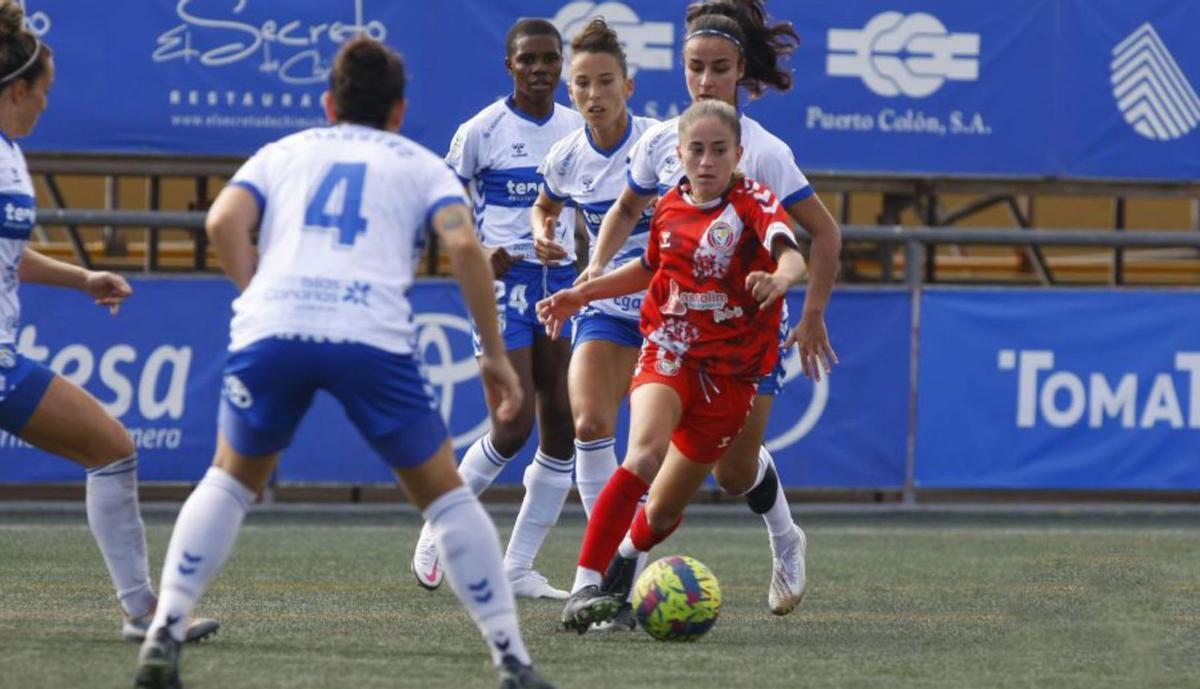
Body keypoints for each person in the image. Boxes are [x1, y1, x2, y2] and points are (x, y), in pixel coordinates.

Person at [132, 37, 555, 689]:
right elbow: (465, 245)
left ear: (328, 103)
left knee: (229, 478)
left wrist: (261, 293)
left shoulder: (283, 152)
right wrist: (494, 352)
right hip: (369, 334)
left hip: (274, 326)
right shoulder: (417, 163)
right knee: (444, 494)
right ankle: (511, 659)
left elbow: (221, 221)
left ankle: (164, 631)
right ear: (399, 112)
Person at [578, 0, 842, 616]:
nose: (705, 81)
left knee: (732, 472)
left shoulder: (764, 153)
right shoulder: (660, 141)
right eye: (695, 67)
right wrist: (595, 266)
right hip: (674, 333)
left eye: (719, 69)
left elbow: (822, 235)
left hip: (745, 340)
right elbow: (626, 207)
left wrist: (811, 314)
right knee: (645, 454)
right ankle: (609, 586)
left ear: (740, 70)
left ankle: (785, 536)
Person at [537, 100, 807, 630]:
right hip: (669, 350)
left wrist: (782, 277)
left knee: (659, 514)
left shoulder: (755, 203)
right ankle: (585, 583)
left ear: (738, 155)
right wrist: (582, 293)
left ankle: (620, 568)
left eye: (719, 151)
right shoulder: (669, 205)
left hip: (730, 378)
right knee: (643, 454)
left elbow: (791, 251)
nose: (707, 162)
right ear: (679, 154)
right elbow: (649, 268)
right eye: (697, 150)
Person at [0, 0, 218, 645]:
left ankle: (141, 612)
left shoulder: (11, 153)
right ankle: (142, 613)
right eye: (45, 92)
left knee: (112, 450)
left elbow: (10, 253)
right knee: (113, 449)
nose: (47, 104)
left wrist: (83, 277)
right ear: (18, 90)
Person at [410, 18, 584, 600]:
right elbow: (441, 210)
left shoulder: (577, 128)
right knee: (513, 422)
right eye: (528, 59)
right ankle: (440, 524)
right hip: (503, 290)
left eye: (549, 59)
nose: (540, 69)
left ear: (562, 65)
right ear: (509, 66)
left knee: (563, 424)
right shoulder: (481, 131)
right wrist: (482, 251)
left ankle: (520, 565)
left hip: (562, 283)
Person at [528, 17, 658, 629]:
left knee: (725, 464)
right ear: (570, 92)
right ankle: (597, 581)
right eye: (582, 84)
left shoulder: (662, 142)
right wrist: (542, 233)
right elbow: (546, 205)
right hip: (604, 306)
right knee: (588, 422)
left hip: (670, 310)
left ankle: (782, 533)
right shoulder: (565, 155)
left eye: (605, 81)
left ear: (628, 86)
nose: (593, 93)